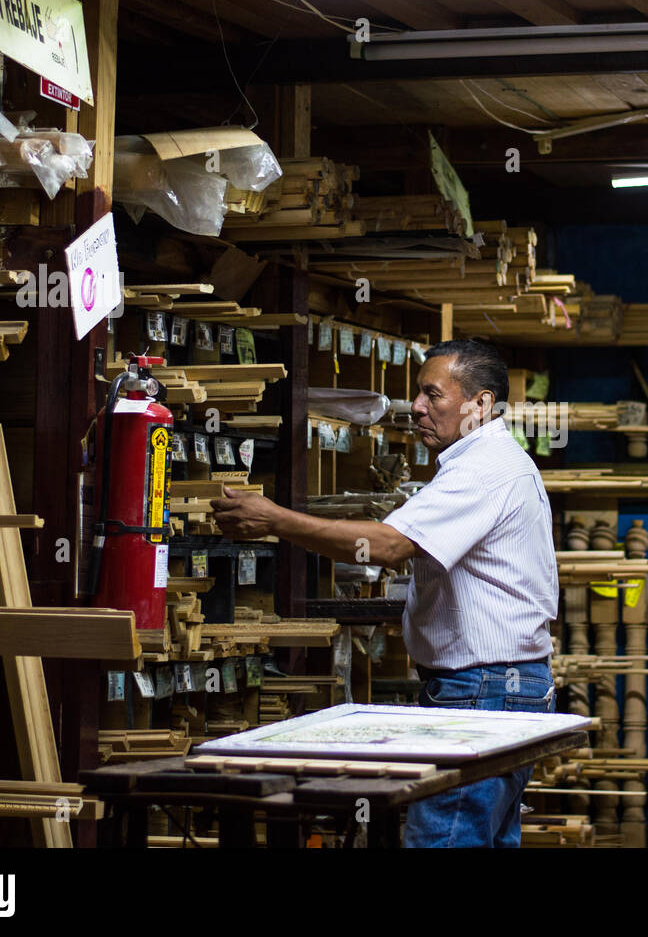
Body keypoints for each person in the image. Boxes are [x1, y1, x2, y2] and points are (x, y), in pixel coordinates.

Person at [212, 338, 558, 847]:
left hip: (484, 691)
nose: (416, 407)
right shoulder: (495, 462)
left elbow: (391, 546)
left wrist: (274, 520)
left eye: (432, 395)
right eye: (418, 394)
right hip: (501, 687)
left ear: (479, 405)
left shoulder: (484, 469)